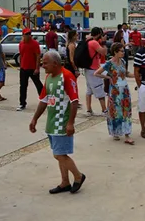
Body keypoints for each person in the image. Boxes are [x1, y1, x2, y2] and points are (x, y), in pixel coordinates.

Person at [29, 51, 86, 194]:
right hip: (51, 123)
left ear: (55, 63)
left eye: (45, 63)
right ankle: (65, 182)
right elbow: (43, 100)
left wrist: (70, 123)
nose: (42, 66)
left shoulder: (66, 76)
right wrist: (35, 118)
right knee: (58, 153)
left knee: (59, 154)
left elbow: (74, 102)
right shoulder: (48, 77)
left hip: (62, 122)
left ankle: (78, 176)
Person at [94, 43, 135, 144]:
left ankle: (126, 134)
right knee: (115, 112)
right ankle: (116, 131)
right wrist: (108, 77)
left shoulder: (123, 61)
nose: (123, 52)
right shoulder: (110, 63)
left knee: (126, 111)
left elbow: (126, 73)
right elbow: (96, 73)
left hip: (124, 89)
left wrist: (136, 75)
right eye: (121, 51)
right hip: (115, 91)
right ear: (115, 52)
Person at [17, 28, 44, 111]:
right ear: (23, 35)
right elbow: (21, 55)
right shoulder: (21, 44)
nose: (28, 35)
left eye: (29, 34)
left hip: (33, 68)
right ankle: (22, 103)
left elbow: (38, 56)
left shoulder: (35, 43)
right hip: (24, 68)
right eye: (26, 34)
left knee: (38, 84)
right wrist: (21, 66)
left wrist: (37, 68)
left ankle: (44, 99)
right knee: (23, 86)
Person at [85, 27, 108, 117]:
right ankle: (104, 110)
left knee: (89, 90)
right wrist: (104, 42)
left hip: (88, 69)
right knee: (99, 89)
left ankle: (88, 109)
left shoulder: (87, 41)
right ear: (98, 34)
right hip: (93, 69)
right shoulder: (94, 42)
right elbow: (104, 52)